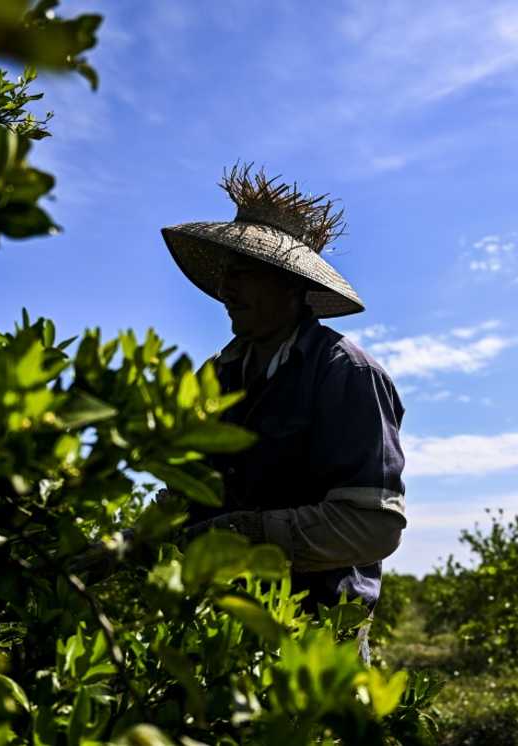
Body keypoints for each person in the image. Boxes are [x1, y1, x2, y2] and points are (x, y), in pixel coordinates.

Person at [159, 164, 406, 626]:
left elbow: (374, 526)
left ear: (291, 285)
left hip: (313, 631)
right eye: (224, 273)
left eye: (244, 272)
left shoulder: (345, 374)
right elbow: (182, 494)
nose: (224, 288)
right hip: (213, 628)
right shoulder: (215, 377)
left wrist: (242, 536)